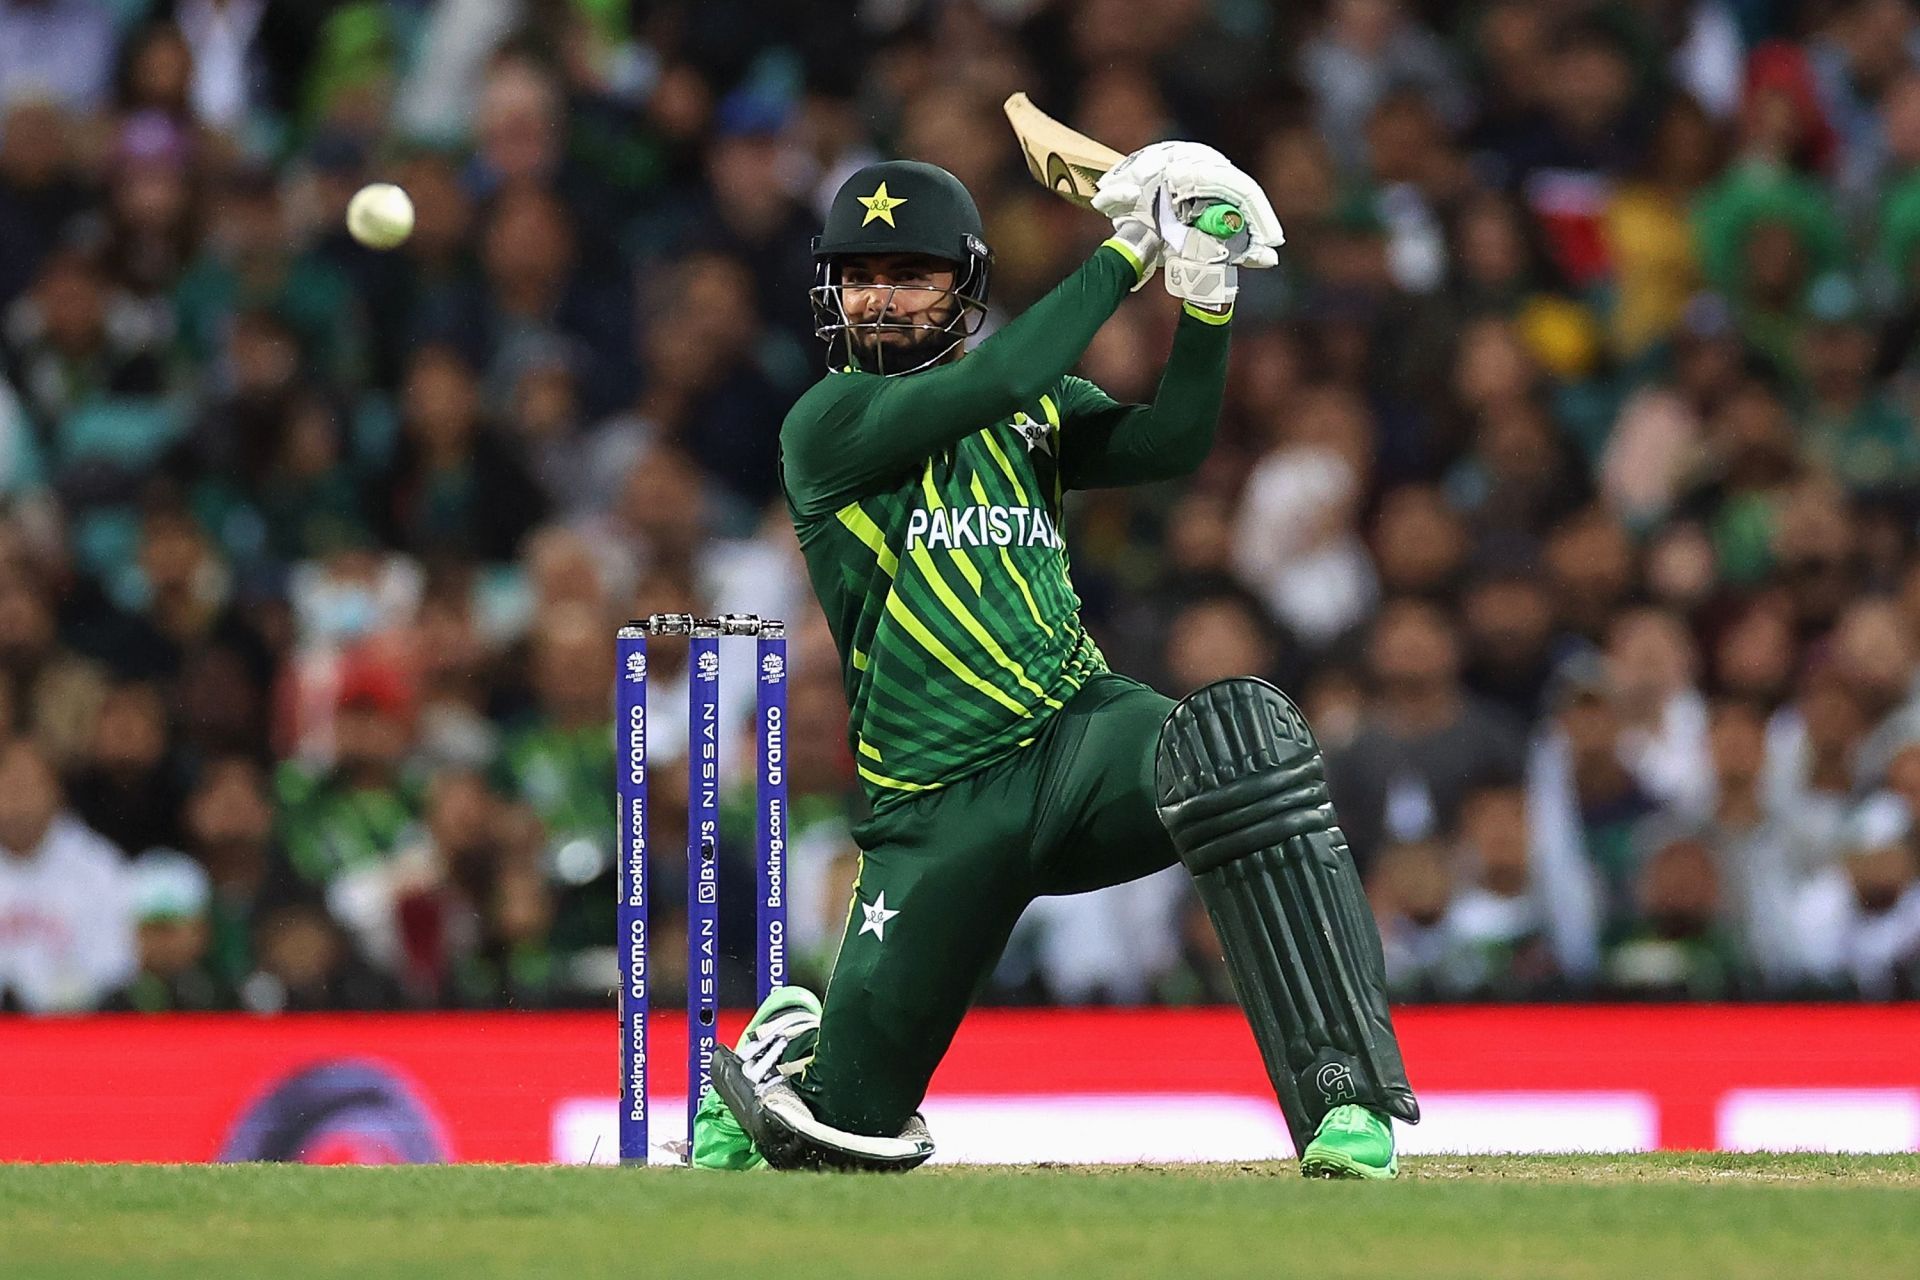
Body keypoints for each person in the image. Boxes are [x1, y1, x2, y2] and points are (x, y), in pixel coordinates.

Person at [697, 152, 1418, 1178]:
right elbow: (1001, 373)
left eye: (911, 273)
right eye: (861, 276)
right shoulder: (829, 423)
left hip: (1077, 735)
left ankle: (1348, 1105)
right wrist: (1132, 245)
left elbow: (1170, 441)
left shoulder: (1032, 406)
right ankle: (790, 1049)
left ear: (964, 284)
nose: (882, 297)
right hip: (934, 808)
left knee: (1241, 749)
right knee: (839, 1137)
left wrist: (1206, 296)